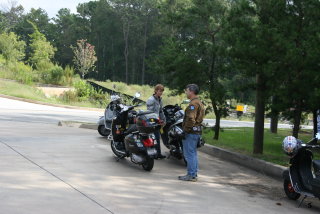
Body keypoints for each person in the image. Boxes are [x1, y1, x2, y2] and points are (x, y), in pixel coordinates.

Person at [179, 84, 205, 182]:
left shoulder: (193, 104)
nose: (186, 92)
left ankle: (191, 175)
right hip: (196, 131)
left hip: (191, 132)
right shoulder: (199, 102)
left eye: (187, 90)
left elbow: (190, 119)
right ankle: (193, 174)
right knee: (193, 154)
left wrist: (185, 130)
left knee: (189, 154)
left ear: (191, 91)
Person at [146, 84, 166, 159]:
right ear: (156, 90)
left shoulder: (159, 99)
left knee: (157, 138)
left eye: (162, 91)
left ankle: (158, 153)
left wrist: (163, 120)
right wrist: (156, 120)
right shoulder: (151, 100)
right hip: (152, 122)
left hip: (157, 122)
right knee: (154, 137)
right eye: (159, 91)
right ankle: (154, 154)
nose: (161, 92)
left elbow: (161, 111)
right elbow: (149, 112)